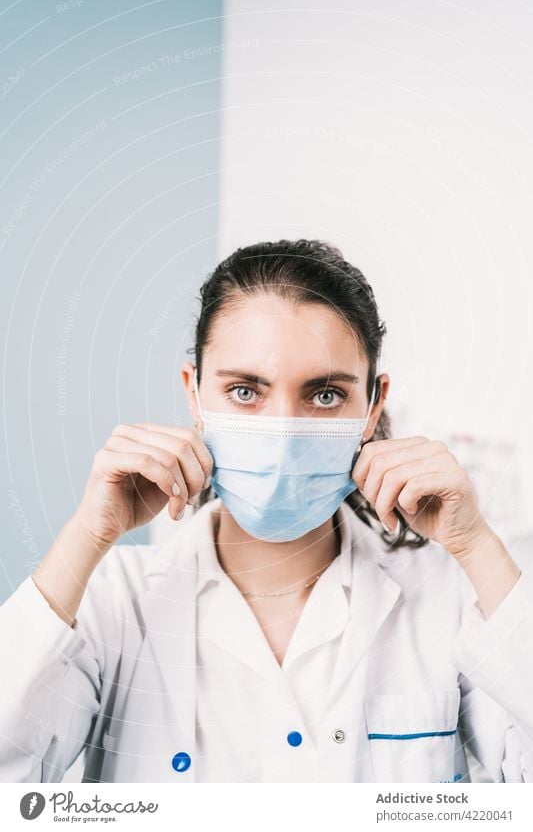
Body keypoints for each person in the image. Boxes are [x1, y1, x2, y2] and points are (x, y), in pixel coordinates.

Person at [0, 238, 532, 783]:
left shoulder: (445, 596)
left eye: (324, 395)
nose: (282, 433)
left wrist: (477, 546)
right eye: (245, 391)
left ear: (372, 406)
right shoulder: (113, 601)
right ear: (195, 393)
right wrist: (88, 533)